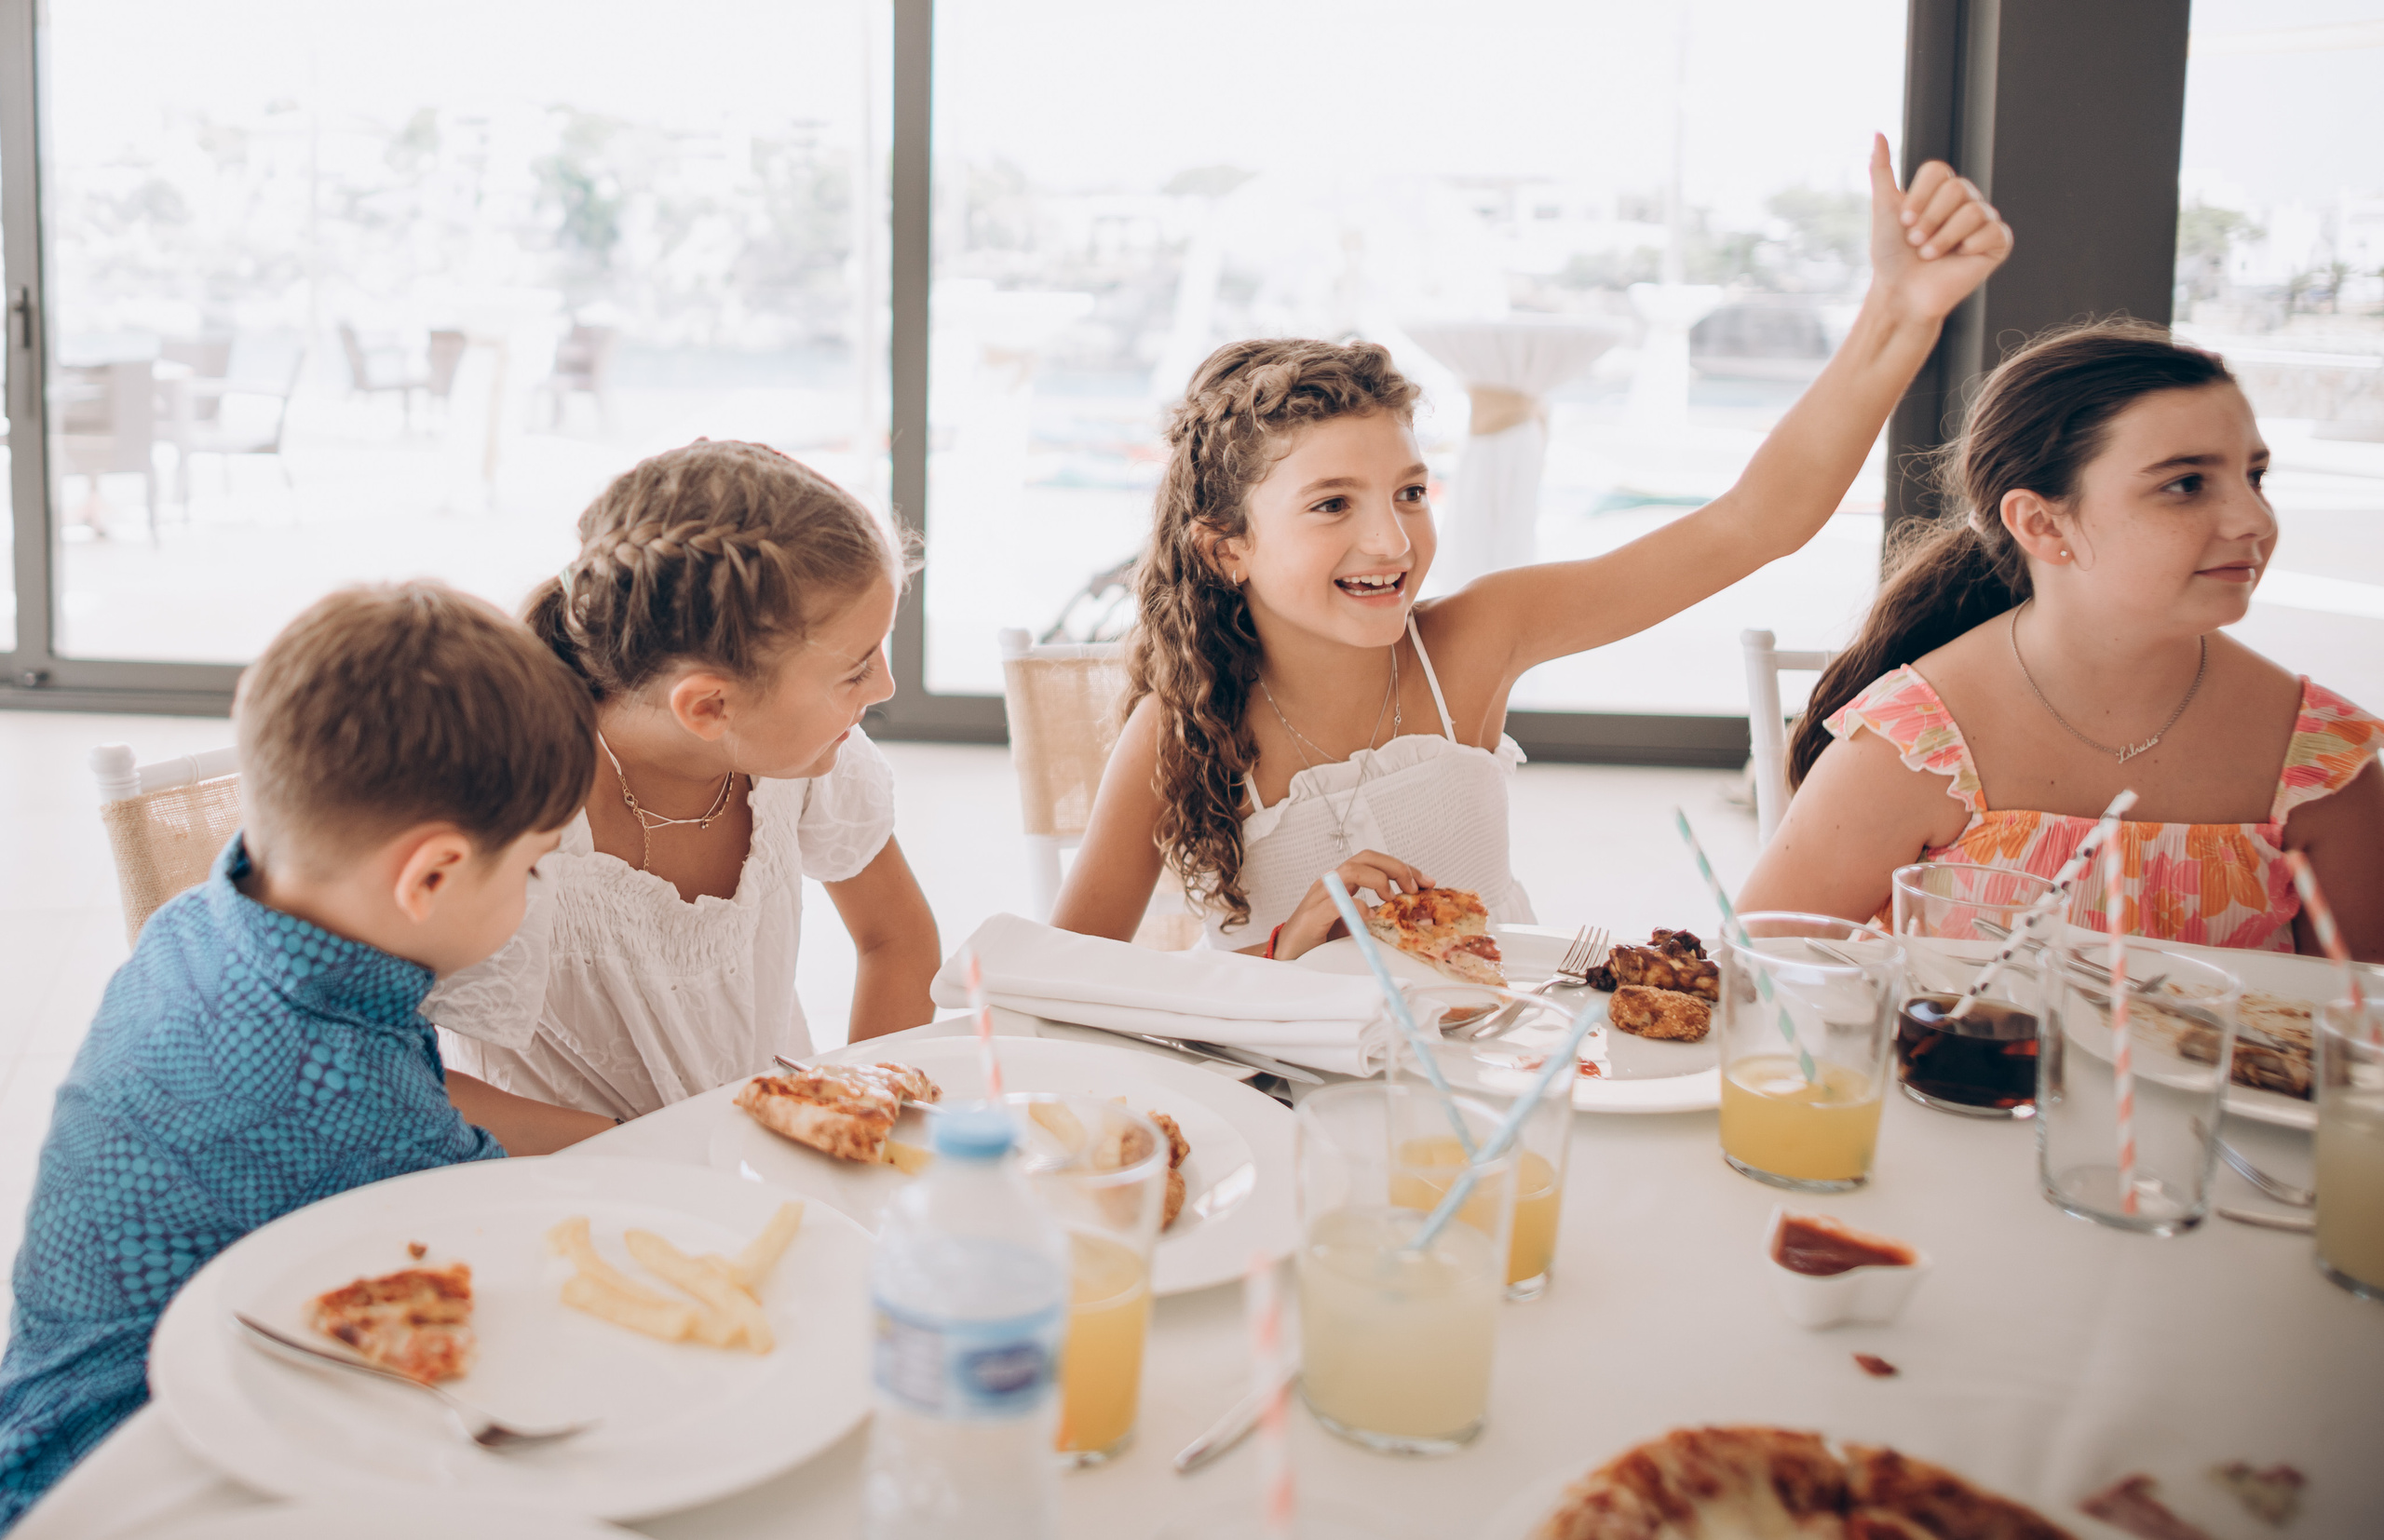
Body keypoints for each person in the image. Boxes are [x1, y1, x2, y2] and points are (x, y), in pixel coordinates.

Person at [1051, 138, 2012, 957]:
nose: (1390, 539)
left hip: (1498, 1061)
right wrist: (1279, 953)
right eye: (1331, 504)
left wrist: (1901, 312)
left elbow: (1753, 521)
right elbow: (1065, 976)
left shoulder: (1474, 641)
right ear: (1226, 547)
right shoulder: (1178, 733)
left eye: (1411, 492)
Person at [0, 584, 608, 1529]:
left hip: (50, 1429)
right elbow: (528, 1272)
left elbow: (422, 1097)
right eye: (531, 865)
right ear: (433, 874)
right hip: (153, 1493)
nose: (534, 889)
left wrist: (620, 1133)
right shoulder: (346, 1111)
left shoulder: (206, 919)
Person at [1737, 320, 2383, 958]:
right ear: (2042, 523)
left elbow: (2360, 1025)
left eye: (2255, 477)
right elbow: (1760, 971)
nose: (2254, 519)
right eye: (2185, 484)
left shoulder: (2321, 762)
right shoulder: (1916, 745)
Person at [429, 439, 940, 1120]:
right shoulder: (507, 810)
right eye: (854, 670)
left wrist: (866, 1114)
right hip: (563, 1187)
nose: (885, 685)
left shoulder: (804, 755)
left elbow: (896, 939)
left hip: (746, 1165)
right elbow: (395, 1071)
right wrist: (636, 1152)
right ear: (709, 707)